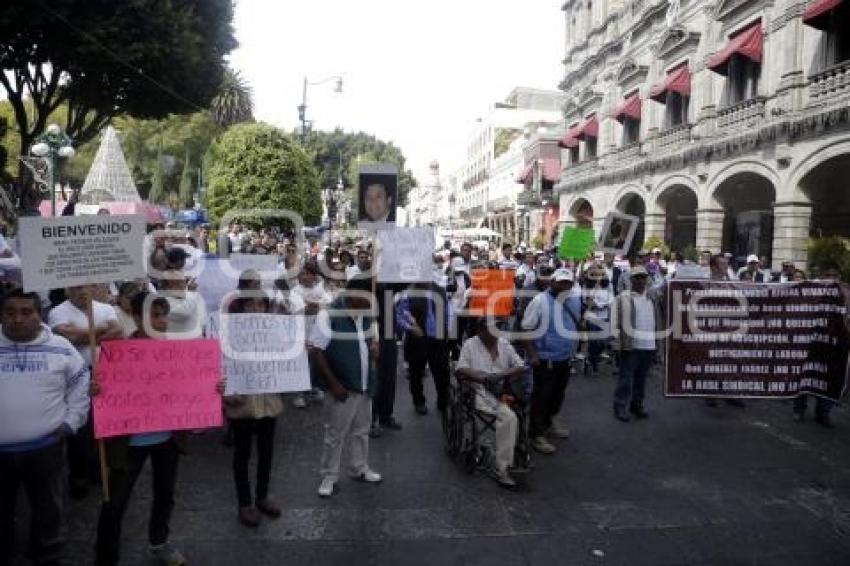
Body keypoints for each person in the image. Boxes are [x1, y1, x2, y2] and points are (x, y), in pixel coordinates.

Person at [94, 291, 223, 566]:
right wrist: (96, 389)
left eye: (164, 315)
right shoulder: (117, 353)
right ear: (137, 317)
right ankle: (106, 557)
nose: (161, 321)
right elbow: (103, 394)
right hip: (128, 444)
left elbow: (192, 388)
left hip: (168, 439)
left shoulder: (180, 352)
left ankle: (159, 543)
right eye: (153, 315)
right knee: (115, 503)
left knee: (165, 495)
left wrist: (213, 388)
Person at [0, 289, 90, 566]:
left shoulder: (61, 347)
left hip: (46, 448)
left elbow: (80, 387)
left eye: (26, 312)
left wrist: (70, 423)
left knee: (48, 509)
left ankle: (47, 555)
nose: (18, 319)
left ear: (40, 316)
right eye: (10, 312)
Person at [310, 276, 382, 497]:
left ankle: (359, 468)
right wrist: (333, 384)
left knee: (361, 430)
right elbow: (317, 351)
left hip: (363, 384)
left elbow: (373, 345)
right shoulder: (328, 315)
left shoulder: (367, 316)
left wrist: (375, 352)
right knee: (335, 434)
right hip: (341, 386)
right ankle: (329, 476)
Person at [48, 284, 122, 498]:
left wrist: (86, 335)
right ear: (67, 290)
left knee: (104, 424)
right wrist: (100, 331)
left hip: (106, 373)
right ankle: (78, 475)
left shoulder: (105, 307)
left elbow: (117, 332)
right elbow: (67, 337)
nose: (82, 292)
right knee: (81, 427)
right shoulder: (58, 311)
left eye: (86, 287)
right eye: (77, 288)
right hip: (75, 377)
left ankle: (98, 468)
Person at [223, 278, 284, 527]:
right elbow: (219, 363)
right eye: (252, 304)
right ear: (243, 306)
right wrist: (226, 392)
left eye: (261, 304)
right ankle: (245, 502)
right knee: (243, 453)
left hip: (268, 400)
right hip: (242, 401)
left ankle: (262, 495)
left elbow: (286, 358)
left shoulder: (275, 330)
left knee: (267, 451)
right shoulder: (228, 332)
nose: (257, 309)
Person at [455, 318, 525, 488]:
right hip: (477, 390)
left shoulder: (504, 344)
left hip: (499, 391)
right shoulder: (470, 345)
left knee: (510, 417)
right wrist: (482, 377)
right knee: (508, 417)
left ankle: (504, 464)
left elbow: (520, 365)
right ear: (480, 331)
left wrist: (502, 375)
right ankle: (500, 467)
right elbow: (461, 368)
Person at [521, 268, 581, 454]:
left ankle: (549, 423)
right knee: (542, 397)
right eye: (561, 282)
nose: (564, 286)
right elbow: (526, 329)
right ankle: (536, 434)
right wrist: (532, 354)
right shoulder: (539, 301)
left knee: (558, 394)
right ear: (552, 282)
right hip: (544, 359)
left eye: (568, 283)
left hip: (565, 357)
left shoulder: (574, 300)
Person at [611, 266, 661, 422]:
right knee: (626, 379)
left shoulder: (652, 297)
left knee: (641, 379)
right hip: (631, 345)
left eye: (643, 277)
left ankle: (636, 405)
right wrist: (617, 344)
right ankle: (620, 407)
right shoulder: (623, 297)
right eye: (637, 277)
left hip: (649, 345)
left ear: (647, 279)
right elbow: (614, 322)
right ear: (631, 279)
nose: (640, 280)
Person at [793, 266, 840, 427]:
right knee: (805, 376)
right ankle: (799, 408)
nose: (831, 278)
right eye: (827, 275)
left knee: (827, 378)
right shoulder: (812, 293)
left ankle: (823, 412)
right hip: (809, 342)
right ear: (822, 276)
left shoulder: (844, 294)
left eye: (834, 275)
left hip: (832, 345)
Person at [397, 281, 452, 414]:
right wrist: (409, 328)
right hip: (417, 339)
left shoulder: (440, 289)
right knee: (416, 373)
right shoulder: (408, 292)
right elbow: (399, 315)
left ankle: (443, 400)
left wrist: (447, 330)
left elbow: (447, 312)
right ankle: (419, 401)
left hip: (438, 339)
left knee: (443, 372)